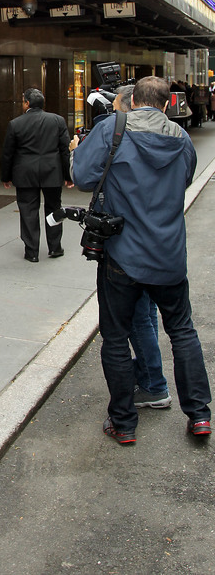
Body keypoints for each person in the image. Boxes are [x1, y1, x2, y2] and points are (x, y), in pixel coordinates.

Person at [72, 75, 211, 444]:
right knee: (182, 332)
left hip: (121, 255)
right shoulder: (181, 140)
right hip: (168, 255)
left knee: (116, 337)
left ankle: (123, 423)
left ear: (133, 102)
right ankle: (199, 416)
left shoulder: (112, 130)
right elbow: (182, 181)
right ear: (167, 105)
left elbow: (82, 176)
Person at [113, 85, 171, 410]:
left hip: (133, 246)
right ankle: (150, 376)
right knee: (146, 314)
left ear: (131, 105)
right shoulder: (166, 138)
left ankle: (154, 384)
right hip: (157, 242)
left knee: (138, 317)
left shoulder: (128, 140)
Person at [1, 87, 73, 262]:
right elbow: (65, 150)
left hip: (25, 173)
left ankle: (32, 251)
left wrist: (6, 176)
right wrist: (68, 175)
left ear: (26, 103)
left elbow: (8, 153)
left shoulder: (15, 123)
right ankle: (55, 247)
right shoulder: (57, 120)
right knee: (54, 209)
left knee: (28, 210)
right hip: (52, 171)